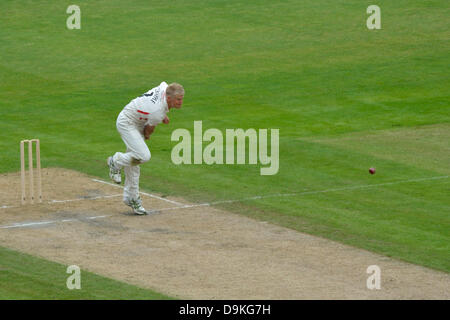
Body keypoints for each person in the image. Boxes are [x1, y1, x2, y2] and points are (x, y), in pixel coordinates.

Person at [107, 82, 184, 215]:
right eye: (178, 99)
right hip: (127, 122)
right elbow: (148, 130)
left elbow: (157, 99)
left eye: (182, 99)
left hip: (137, 120)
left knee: (134, 163)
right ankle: (116, 161)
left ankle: (132, 198)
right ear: (169, 98)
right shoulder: (157, 112)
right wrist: (149, 132)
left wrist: (163, 115)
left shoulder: (165, 88)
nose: (180, 102)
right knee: (143, 156)